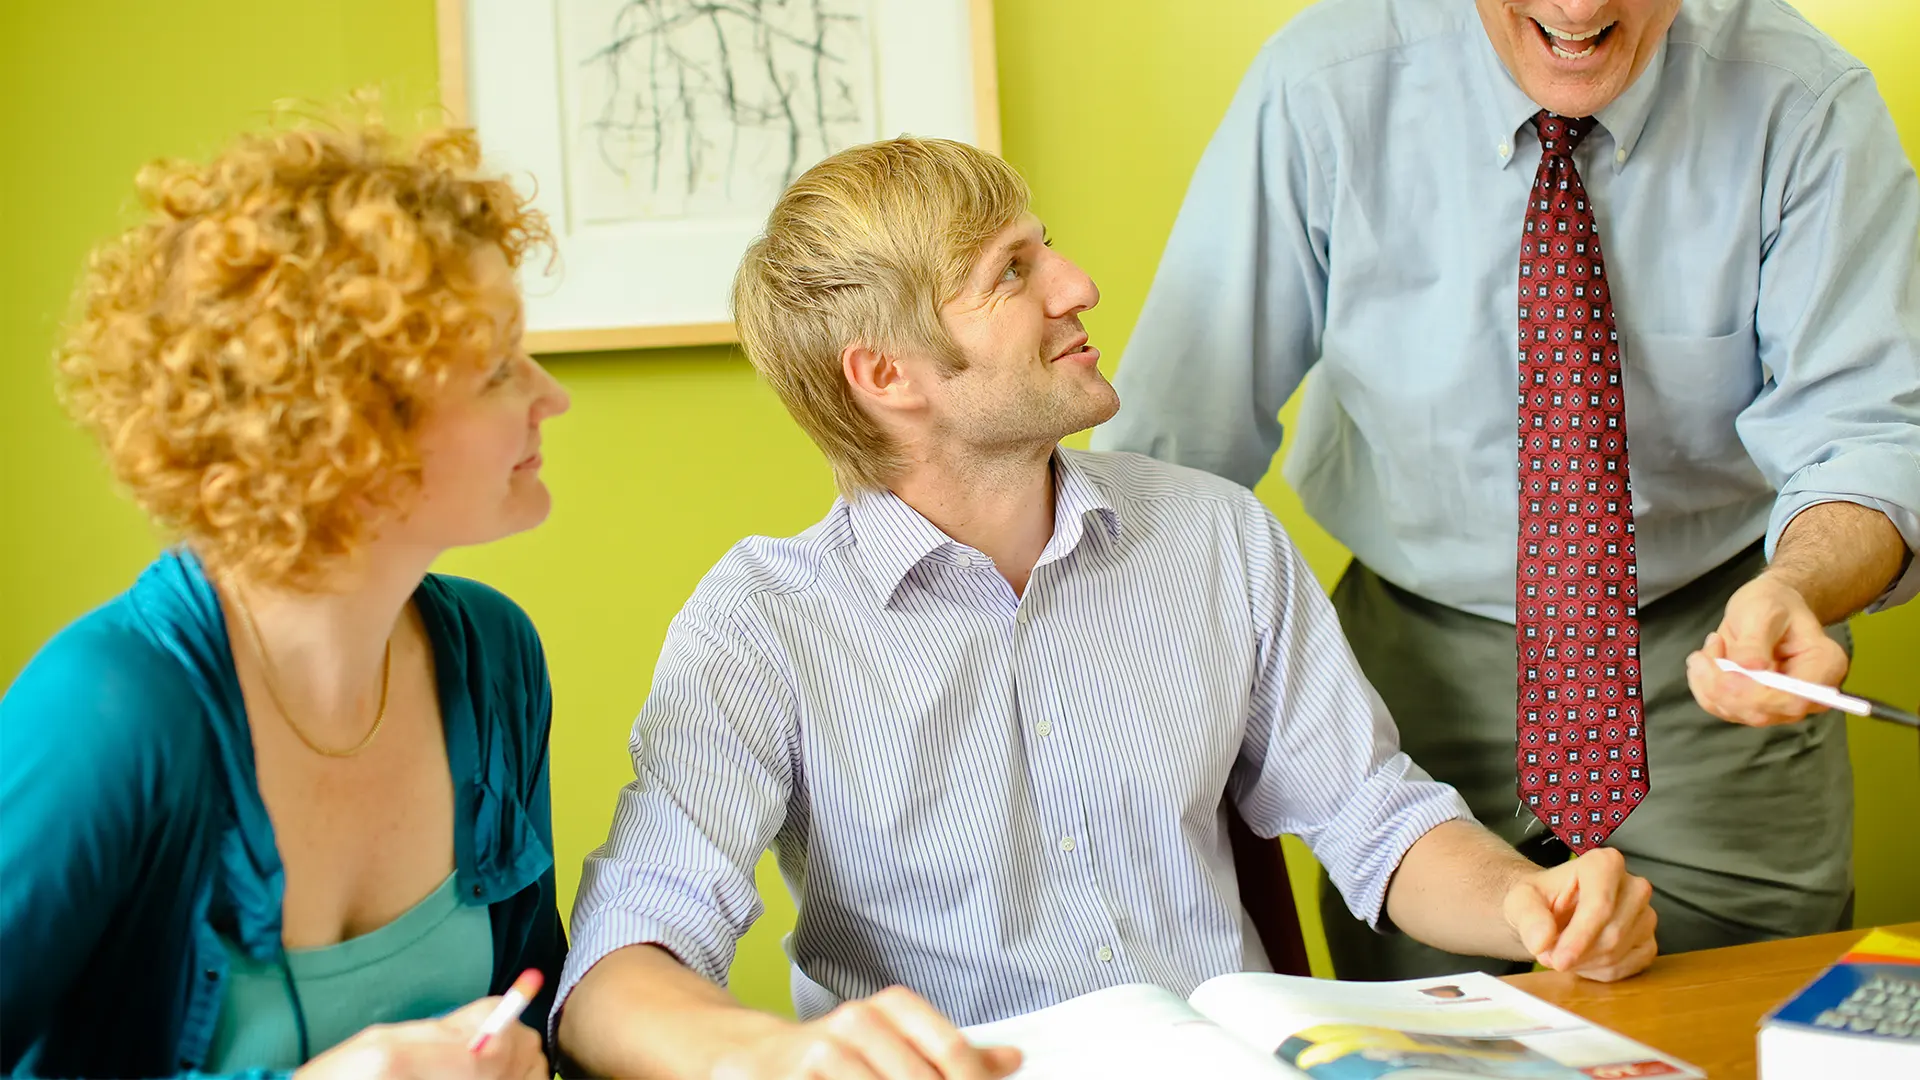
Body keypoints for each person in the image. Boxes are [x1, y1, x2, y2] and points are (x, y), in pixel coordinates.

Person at [552, 136, 1658, 1080]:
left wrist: (1528, 904)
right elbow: (617, 968)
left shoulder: (1216, 535)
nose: (1077, 285)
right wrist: (773, 1057)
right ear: (889, 376)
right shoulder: (763, 625)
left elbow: (1377, 821)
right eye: (1012, 272)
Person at [1092, 0, 1920, 982]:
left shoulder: (1804, 100)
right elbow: (1177, 442)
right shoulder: (1324, 83)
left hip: (1715, 659)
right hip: (1411, 673)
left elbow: (1873, 433)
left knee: (1744, 1026)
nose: (1577, 9)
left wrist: (1801, 589)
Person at [0, 107, 573, 1078]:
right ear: (342, 424)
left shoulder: (495, 659)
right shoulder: (106, 714)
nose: (548, 394)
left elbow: (530, 1003)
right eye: (494, 367)